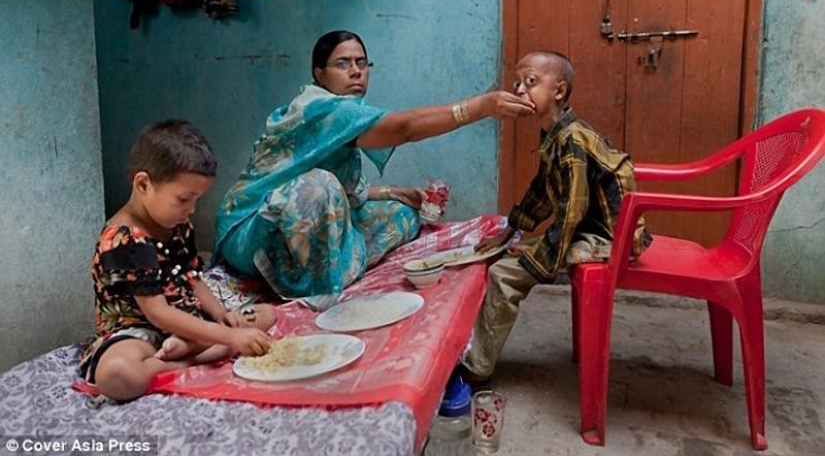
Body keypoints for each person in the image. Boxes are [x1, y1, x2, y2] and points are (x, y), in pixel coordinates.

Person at [214, 30, 536, 299]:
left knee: (403, 213)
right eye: (343, 64)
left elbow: (348, 192)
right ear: (320, 74)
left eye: (361, 62)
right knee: (319, 186)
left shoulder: (344, 111)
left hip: (302, 218)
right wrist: (480, 107)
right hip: (252, 231)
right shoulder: (319, 108)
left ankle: (338, 265)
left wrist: (392, 191)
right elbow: (403, 128)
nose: (356, 71)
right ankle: (318, 292)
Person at [462, 51, 652, 381]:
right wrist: (511, 231)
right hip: (586, 228)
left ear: (559, 91)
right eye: (518, 83)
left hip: (611, 238)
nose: (520, 89)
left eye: (531, 82)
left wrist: (539, 257)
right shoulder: (556, 134)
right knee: (508, 252)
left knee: (504, 275)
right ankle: (473, 348)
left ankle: (476, 368)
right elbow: (542, 189)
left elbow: (572, 211)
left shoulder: (572, 140)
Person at [78, 120, 276, 401]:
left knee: (267, 313)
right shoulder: (124, 241)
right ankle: (190, 358)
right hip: (141, 333)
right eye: (184, 199)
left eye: (196, 200)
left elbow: (192, 277)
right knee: (117, 375)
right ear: (143, 184)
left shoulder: (178, 225)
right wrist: (229, 337)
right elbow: (158, 314)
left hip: (188, 319)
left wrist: (220, 314)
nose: (191, 209)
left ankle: (193, 344)